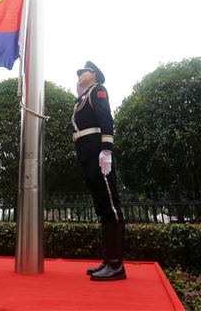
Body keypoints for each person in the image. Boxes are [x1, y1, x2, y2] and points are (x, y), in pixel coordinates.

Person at [73, 61, 126, 281]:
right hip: (87, 154)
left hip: (97, 153)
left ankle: (116, 265)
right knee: (102, 208)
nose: (78, 76)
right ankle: (108, 261)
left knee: (111, 208)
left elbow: (106, 120)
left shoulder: (98, 90)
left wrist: (106, 150)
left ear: (92, 74)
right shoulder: (84, 96)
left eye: (81, 73)